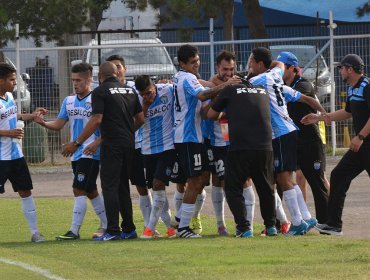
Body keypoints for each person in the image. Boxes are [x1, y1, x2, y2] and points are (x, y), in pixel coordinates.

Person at [62, 61, 144, 241]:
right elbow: (140, 118)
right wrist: (128, 131)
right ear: (116, 74)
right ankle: (129, 229)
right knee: (123, 186)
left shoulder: (100, 92)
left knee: (109, 187)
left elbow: (97, 119)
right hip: (129, 144)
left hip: (111, 144)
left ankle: (112, 231)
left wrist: (77, 142)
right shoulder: (129, 91)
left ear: (100, 77)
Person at [248, 47, 325, 235]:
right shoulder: (276, 78)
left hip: (281, 134)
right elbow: (306, 98)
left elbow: (241, 87)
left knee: (283, 179)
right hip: (290, 132)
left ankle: (298, 222)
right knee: (286, 178)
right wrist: (325, 114)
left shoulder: (257, 80)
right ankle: (306, 217)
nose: (249, 66)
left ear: (259, 64)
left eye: (251, 62)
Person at [173, 44, 240, 238]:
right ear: (183, 63)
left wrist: (213, 86)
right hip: (188, 137)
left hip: (193, 137)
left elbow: (202, 90)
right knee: (194, 181)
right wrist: (226, 85)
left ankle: (180, 219)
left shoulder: (181, 76)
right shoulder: (187, 78)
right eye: (193, 62)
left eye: (198, 60)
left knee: (202, 177)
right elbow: (202, 94)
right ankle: (183, 227)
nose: (197, 64)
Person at [35, 63, 107, 240]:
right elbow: (59, 124)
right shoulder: (68, 101)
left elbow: (105, 124)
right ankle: (108, 224)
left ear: (89, 79)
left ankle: (74, 231)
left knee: (78, 188)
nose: (75, 84)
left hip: (90, 151)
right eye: (73, 80)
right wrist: (43, 123)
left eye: (79, 80)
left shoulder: (96, 99)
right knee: (90, 190)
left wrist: (96, 143)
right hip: (76, 152)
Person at [302, 54, 370, 236]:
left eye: (341, 68)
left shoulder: (366, 86)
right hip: (361, 147)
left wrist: (360, 137)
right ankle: (333, 225)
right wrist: (320, 117)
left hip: (365, 143)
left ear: (350, 69)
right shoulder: (351, 89)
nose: (339, 71)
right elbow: (347, 112)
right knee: (338, 175)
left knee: (338, 175)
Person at [207, 80, 277, 237]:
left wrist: (228, 113)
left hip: (241, 146)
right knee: (266, 188)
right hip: (265, 145)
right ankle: (271, 226)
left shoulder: (229, 89)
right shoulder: (262, 90)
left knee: (232, 187)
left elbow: (211, 114)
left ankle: (244, 228)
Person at [276, 51, 330, 225]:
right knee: (285, 179)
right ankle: (295, 220)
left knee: (316, 181)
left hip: (310, 141)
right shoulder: (280, 83)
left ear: (292, 68)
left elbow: (294, 97)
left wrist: (323, 113)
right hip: (291, 140)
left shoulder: (303, 85)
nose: (278, 71)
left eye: (282, 67)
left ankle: (327, 221)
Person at [0, 62, 47, 242]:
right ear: (1, 80)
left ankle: (35, 233)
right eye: (11, 79)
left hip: (16, 155)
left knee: (26, 191)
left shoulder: (9, 96)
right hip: (1, 158)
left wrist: (32, 115)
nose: (14, 83)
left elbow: (15, 116)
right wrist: (8, 133)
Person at [106, 55, 153, 231]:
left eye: (119, 66)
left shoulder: (135, 89)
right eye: (113, 67)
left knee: (147, 185)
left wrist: (125, 132)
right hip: (123, 146)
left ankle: (151, 224)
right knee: (126, 186)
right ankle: (128, 224)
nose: (116, 70)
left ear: (125, 69)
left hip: (142, 143)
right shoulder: (107, 91)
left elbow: (141, 116)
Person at [134, 75, 177, 239]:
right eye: (143, 94)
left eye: (149, 93)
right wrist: (144, 107)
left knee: (158, 184)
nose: (147, 96)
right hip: (147, 149)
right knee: (157, 189)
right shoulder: (137, 100)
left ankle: (149, 229)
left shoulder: (168, 90)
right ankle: (170, 228)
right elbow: (135, 125)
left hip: (168, 147)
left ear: (154, 86)